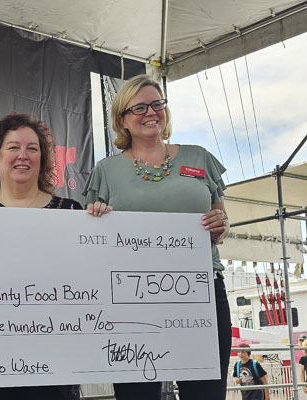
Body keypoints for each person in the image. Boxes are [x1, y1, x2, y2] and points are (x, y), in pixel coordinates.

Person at [83, 74, 231, 400]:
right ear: (122, 119)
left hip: (200, 295)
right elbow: (95, 240)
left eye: (157, 104)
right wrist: (96, 219)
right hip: (132, 300)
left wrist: (222, 226)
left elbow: (221, 224)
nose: (151, 112)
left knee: (206, 393)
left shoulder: (199, 158)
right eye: (139, 107)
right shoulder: (105, 172)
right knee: (137, 394)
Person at [0, 113, 103, 400]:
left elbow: (91, 281)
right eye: (13, 147)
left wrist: (104, 226)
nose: (23, 155)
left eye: (32, 148)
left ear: (43, 159)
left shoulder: (72, 213)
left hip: (54, 366)